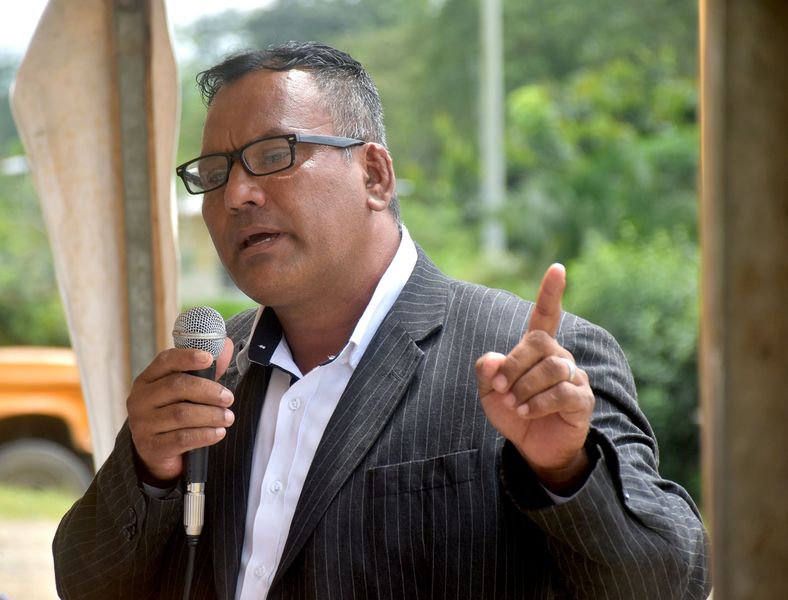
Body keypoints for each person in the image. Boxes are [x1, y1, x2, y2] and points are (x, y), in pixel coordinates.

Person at [53, 42, 710, 599]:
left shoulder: (529, 362)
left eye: (274, 154)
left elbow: (673, 582)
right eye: (215, 172)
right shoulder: (211, 371)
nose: (237, 195)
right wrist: (149, 471)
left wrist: (566, 472)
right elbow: (83, 583)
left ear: (374, 174)